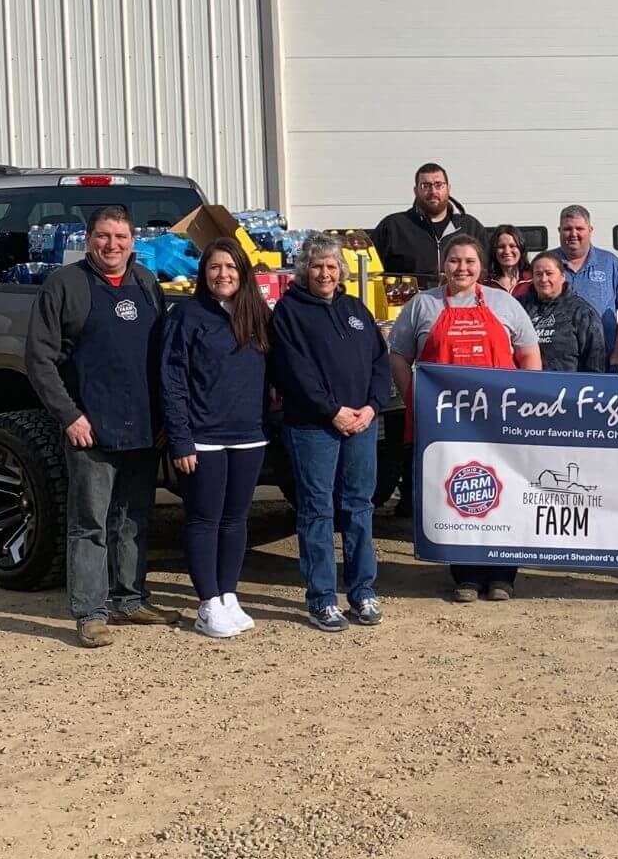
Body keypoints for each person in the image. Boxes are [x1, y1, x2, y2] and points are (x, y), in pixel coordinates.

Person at [25, 205, 177, 648]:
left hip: (144, 426)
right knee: (89, 523)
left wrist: (164, 418)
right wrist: (69, 416)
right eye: (104, 236)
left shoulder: (146, 283)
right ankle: (90, 612)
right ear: (89, 239)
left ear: (133, 241)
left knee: (134, 518)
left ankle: (131, 599)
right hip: (91, 427)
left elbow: (160, 358)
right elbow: (39, 359)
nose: (113, 245)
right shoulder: (65, 285)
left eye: (121, 237)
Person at [388, 233, 543, 602]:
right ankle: (466, 575)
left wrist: (524, 404)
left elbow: (529, 355)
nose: (462, 268)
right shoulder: (422, 305)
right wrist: (415, 398)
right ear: (443, 265)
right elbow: (398, 355)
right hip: (445, 426)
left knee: (504, 494)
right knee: (457, 494)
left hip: (498, 423)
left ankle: (503, 574)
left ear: (481, 266)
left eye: (470, 261)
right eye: (455, 260)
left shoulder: (504, 303)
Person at [268, 234, 392, 633]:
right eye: (317, 266)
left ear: (342, 271)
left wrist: (372, 406)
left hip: (361, 425)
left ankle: (362, 591)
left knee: (359, 506)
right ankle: (322, 598)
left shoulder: (355, 309)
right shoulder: (288, 312)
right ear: (304, 270)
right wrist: (332, 411)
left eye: (331, 266)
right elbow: (293, 371)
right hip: (313, 428)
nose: (325, 273)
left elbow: (379, 361)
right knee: (317, 510)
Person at [159, 238, 271, 639]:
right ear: (203, 273)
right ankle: (206, 602)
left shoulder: (257, 316)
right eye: (214, 267)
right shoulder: (186, 316)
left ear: (243, 273)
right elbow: (172, 380)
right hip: (202, 437)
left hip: (249, 435)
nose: (223, 274)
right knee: (205, 518)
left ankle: (228, 594)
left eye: (230, 267)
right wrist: (181, 438)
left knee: (236, 519)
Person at [554, 205, 618, 372]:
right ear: (559, 231)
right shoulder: (547, 263)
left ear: (590, 230)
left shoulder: (609, 263)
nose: (573, 234)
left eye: (579, 228)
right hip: (557, 362)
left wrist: (617, 352)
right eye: (567, 229)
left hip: (601, 360)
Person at [369, 163, 485, 277]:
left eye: (438, 185)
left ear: (448, 188)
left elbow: (485, 271)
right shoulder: (392, 227)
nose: (433, 191)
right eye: (426, 186)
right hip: (409, 291)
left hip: (458, 291)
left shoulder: (471, 227)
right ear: (415, 190)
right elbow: (370, 273)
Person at [522, 251, 607, 373]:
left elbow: (596, 362)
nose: (544, 279)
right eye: (538, 274)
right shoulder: (520, 308)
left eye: (549, 273)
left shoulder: (582, 312)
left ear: (562, 276)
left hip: (568, 383)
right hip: (527, 382)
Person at [483, 224, 531, 298]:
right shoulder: (485, 282)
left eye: (512, 246)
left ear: (521, 249)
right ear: (494, 251)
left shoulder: (531, 280)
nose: (507, 251)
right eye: (501, 247)